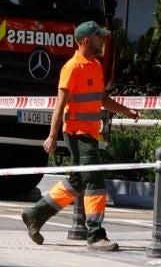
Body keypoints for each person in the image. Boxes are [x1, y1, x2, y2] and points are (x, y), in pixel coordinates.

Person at [20, 20, 140, 251]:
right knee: (94, 179)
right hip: (77, 133)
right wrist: (52, 135)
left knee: (77, 181)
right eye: (99, 37)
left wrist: (127, 111)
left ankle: (34, 214)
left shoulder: (95, 65)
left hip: (91, 133)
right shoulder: (72, 68)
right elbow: (59, 104)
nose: (103, 40)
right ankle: (95, 234)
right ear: (86, 40)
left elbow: (102, 99)